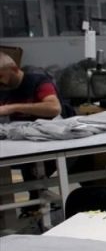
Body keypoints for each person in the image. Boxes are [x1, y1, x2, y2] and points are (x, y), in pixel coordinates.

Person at [0, 52, 64, 217]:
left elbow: (54, 108)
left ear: (14, 69)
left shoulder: (39, 82)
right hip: (20, 141)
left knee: (35, 174)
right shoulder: (3, 88)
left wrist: (13, 108)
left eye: (1, 76)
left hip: (51, 139)